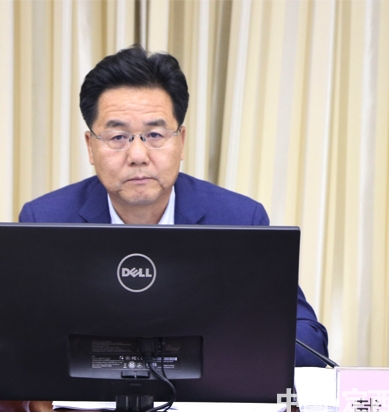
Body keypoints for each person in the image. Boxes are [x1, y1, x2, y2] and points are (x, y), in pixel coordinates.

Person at [19, 45, 329, 367]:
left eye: (154, 134)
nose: (138, 156)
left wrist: (215, 350)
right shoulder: (45, 221)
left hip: (204, 396)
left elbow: (308, 343)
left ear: (180, 142)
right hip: (88, 397)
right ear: (90, 146)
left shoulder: (239, 220)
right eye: (118, 137)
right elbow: (17, 339)